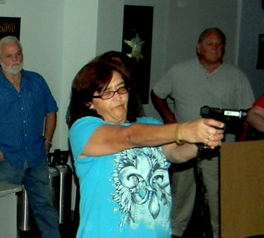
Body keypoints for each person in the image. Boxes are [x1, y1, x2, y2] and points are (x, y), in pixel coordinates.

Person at [68, 60, 224, 237]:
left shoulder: (149, 125)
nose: (117, 96)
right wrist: (183, 130)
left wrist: (203, 138)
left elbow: (177, 153)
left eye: (121, 88)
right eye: (107, 92)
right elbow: (129, 137)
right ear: (89, 103)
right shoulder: (83, 129)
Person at [150, 27, 254, 238]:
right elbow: (157, 93)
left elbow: (247, 115)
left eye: (219, 44)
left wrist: (238, 148)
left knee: (218, 197)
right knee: (181, 195)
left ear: (224, 48)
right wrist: (169, 119)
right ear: (198, 48)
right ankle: (175, 233)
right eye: (209, 43)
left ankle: (218, 234)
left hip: (218, 149)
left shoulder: (236, 75)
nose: (215, 48)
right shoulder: (179, 70)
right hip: (183, 147)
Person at [0, 36, 61, 238]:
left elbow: (51, 110)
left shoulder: (36, 80)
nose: (15, 59)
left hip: (36, 155)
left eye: (18, 54)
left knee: (45, 206)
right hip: (6, 159)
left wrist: (47, 140)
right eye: (9, 56)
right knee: (4, 210)